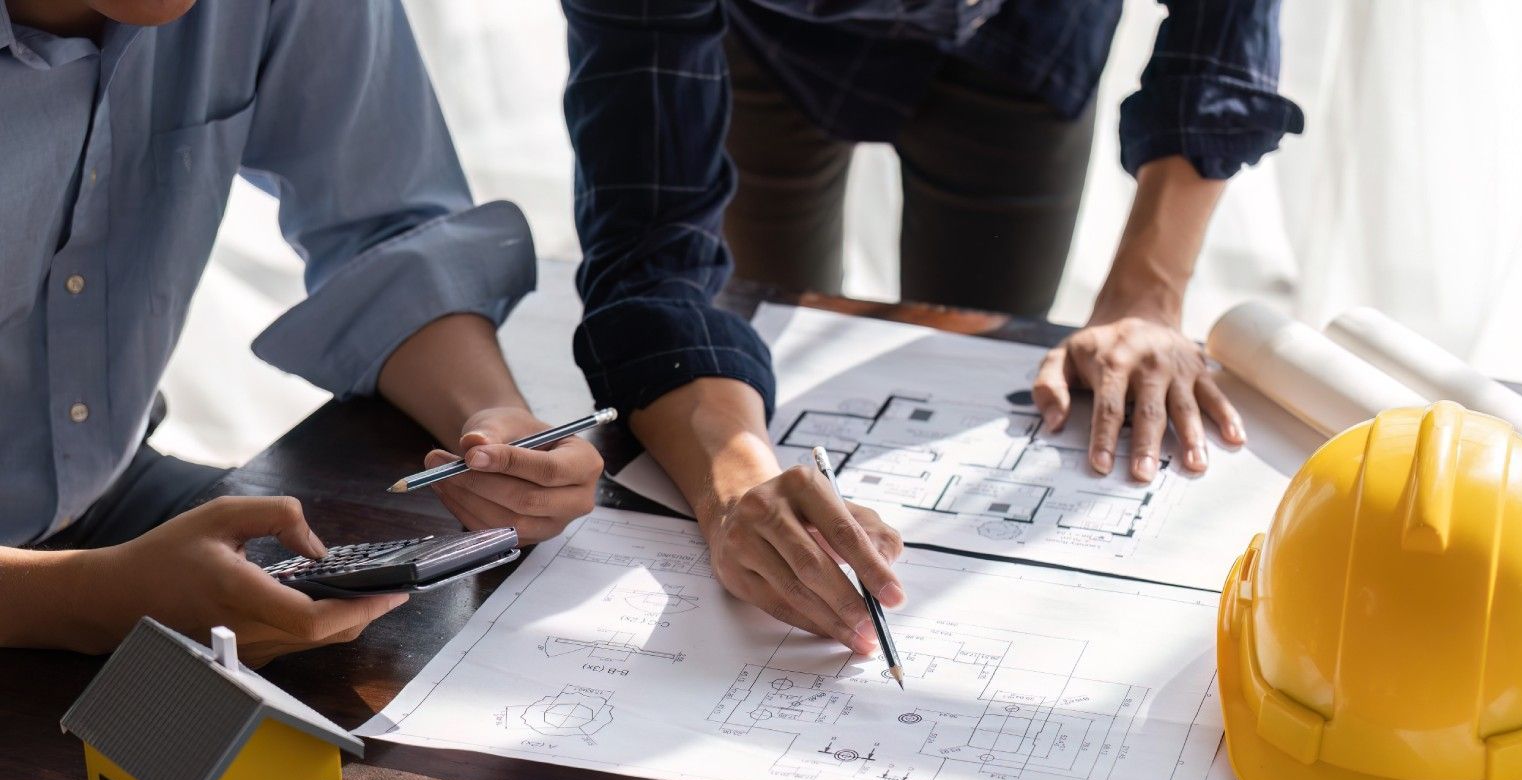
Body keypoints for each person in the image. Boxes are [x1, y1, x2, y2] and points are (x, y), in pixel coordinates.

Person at [559, 1, 1301, 653]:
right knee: (748, 344)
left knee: (989, 388)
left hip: (1023, 40)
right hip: (764, 41)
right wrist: (738, 486)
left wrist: (1149, 295)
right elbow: (651, 246)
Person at [0, 0, 601, 663]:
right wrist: (84, 600)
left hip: (109, 494)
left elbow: (384, 227)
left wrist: (490, 421)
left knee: (421, 651)